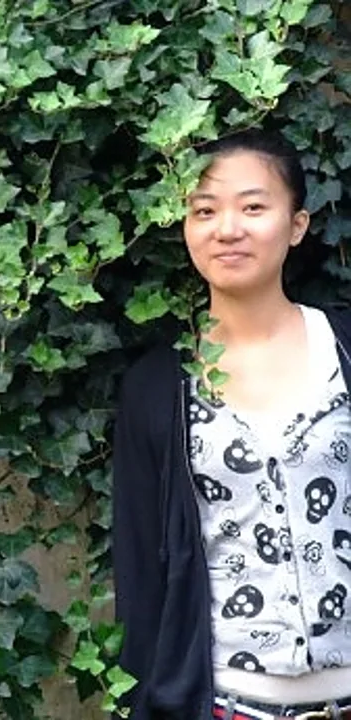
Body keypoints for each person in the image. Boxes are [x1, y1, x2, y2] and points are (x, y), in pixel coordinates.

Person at [112, 128, 351, 720]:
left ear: (296, 224)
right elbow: (141, 579)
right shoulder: (156, 388)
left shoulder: (344, 349)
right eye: (204, 210)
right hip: (224, 706)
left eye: (253, 207)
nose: (227, 229)